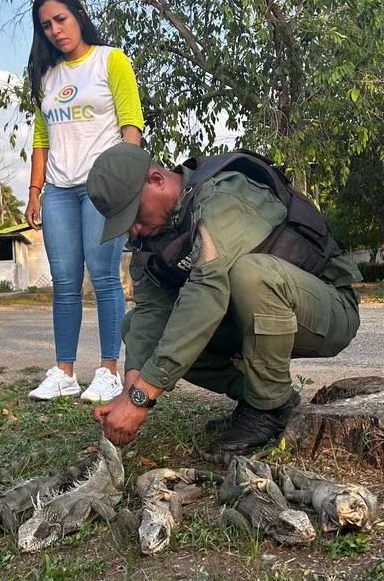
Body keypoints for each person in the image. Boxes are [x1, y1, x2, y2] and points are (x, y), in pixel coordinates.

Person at [86, 143, 362, 454]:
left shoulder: (222, 194)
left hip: (326, 307)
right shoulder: (153, 235)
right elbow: (150, 312)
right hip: (256, 312)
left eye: (134, 213)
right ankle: (271, 400)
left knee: (248, 274)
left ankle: (266, 409)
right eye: (124, 224)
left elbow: (206, 291)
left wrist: (143, 397)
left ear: (157, 180)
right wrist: (131, 389)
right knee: (133, 324)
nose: (133, 229)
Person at [23, 0, 144, 402]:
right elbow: (42, 139)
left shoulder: (111, 60)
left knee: (105, 276)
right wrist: (35, 191)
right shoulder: (47, 76)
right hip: (58, 190)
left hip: (102, 189)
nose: (56, 30)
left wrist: (126, 183)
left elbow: (132, 126)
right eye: (46, 25)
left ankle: (109, 369)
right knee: (65, 282)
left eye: (61, 19)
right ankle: (64, 372)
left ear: (77, 15)